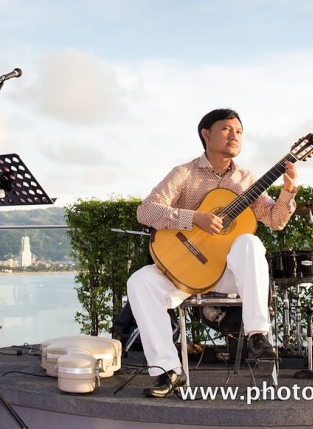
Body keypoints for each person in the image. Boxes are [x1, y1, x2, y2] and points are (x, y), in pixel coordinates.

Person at [127, 108, 297, 398]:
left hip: (227, 274)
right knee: (139, 282)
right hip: (186, 271)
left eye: (239, 131)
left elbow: (275, 220)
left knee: (250, 243)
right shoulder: (184, 173)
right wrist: (193, 218)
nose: (235, 136)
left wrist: (289, 190)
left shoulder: (246, 180)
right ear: (206, 134)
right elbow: (146, 211)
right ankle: (168, 371)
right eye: (227, 129)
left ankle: (258, 335)